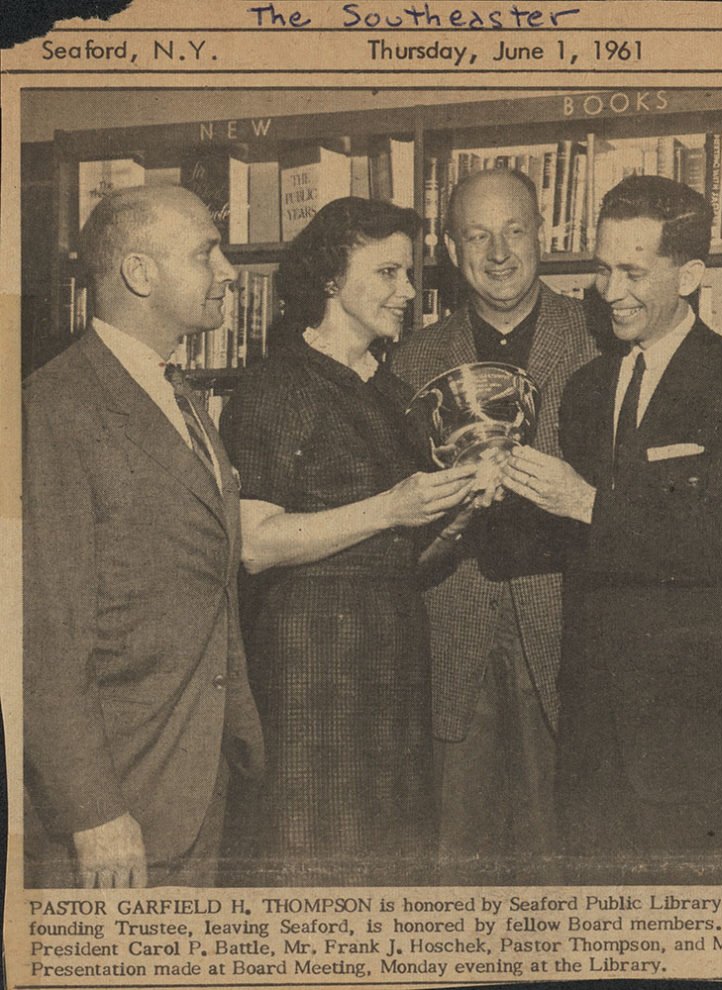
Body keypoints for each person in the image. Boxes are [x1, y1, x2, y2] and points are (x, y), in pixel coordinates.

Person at [503, 174, 722, 884]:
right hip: (593, 739)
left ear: (689, 276)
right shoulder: (586, 389)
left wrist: (586, 504)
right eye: (602, 269)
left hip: (697, 736)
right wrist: (490, 491)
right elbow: (572, 547)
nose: (610, 291)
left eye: (633, 272)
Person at [218, 197, 476, 886]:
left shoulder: (391, 389)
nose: (408, 291)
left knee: (392, 868)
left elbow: (401, 556)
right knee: (315, 863)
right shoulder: (278, 384)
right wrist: (392, 507)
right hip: (313, 668)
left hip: (392, 659)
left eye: (410, 273)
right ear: (330, 279)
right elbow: (255, 544)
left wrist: (454, 515)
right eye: (388, 272)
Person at [22, 186, 264, 888]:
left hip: (196, 776)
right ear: (139, 273)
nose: (228, 272)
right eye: (205, 253)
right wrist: (93, 809)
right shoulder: (56, 407)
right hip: (118, 801)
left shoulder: (176, 391)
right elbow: (42, 630)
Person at [391, 168, 598, 883]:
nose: (500, 252)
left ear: (544, 234)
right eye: (478, 236)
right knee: (456, 865)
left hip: (568, 630)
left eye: (515, 230)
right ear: (451, 249)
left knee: (561, 863)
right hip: (450, 634)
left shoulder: (602, 336)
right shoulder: (411, 359)